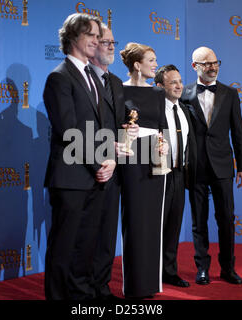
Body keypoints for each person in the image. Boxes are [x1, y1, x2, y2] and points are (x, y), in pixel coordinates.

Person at [43, 13, 117, 300]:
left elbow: (102, 128)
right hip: (71, 177)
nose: (97, 41)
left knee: (86, 245)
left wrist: (110, 160)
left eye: (99, 36)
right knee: (64, 247)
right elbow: (68, 130)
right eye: (91, 35)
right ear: (73, 37)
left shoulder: (95, 79)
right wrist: (99, 163)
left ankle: (81, 299)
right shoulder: (59, 77)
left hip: (96, 176)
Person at [180, 46, 242, 285]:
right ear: (194, 67)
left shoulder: (230, 93)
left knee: (227, 218)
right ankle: (202, 269)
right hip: (195, 166)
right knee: (199, 220)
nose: (213, 67)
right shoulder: (184, 93)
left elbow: (238, 132)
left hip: (222, 166)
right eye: (206, 63)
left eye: (215, 62)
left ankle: (228, 268)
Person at [89, 24, 138, 300]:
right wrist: (100, 159)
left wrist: (128, 131)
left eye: (112, 42)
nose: (110, 46)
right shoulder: (82, 81)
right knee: (87, 236)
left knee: (108, 234)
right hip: (89, 169)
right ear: (92, 45)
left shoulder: (117, 83)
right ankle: (84, 288)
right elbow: (79, 128)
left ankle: (101, 286)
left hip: (114, 169)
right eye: (105, 42)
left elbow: (119, 122)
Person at [119, 42, 168, 299]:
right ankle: (134, 285)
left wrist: (163, 144)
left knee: (152, 223)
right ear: (137, 65)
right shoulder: (118, 89)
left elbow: (162, 128)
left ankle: (150, 284)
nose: (155, 64)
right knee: (135, 221)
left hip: (154, 160)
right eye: (151, 60)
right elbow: (112, 124)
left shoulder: (158, 93)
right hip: (129, 159)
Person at [154, 64, 196, 288]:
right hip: (158, 175)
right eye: (173, 82)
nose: (179, 86)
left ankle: (169, 271)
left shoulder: (185, 110)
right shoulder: (154, 111)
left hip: (179, 174)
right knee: (156, 226)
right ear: (160, 86)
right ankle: (151, 272)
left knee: (173, 226)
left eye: (180, 81)